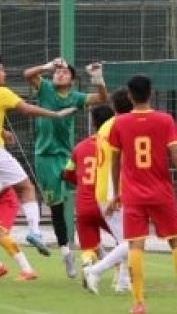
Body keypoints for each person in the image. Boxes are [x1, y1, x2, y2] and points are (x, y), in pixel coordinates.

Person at [107, 75, 177, 314]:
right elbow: (176, 154)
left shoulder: (119, 123)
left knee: (135, 246)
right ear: (150, 94)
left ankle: (139, 303)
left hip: (133, 194)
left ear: (129, 96)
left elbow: (115, 159)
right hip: (161, 192)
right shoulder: (165, 120)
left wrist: (116, 191)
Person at [0, 53, 76, 256]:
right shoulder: (0, 92)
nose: (4, 73)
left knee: (4, 176)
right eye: (1, 69)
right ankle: (35, 232)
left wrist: (2, 131)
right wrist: (54, 114)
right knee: (27, 188)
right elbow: (26, 109)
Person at [23, 59, 108, 277]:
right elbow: (27, 74)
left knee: (86, 197)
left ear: (72, 79)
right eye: (57, 72)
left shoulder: (76, 98)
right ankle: (66, 253)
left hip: (67, 155)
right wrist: (47, 65)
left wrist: (97, 78)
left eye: (64, 72)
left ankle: (96, 246)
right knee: (57, 208)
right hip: (45, 157)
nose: (59, 74)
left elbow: (102, 98)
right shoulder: (45, 89)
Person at [83, 89, 134, 294]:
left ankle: (123, 283)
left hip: (104, 188)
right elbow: (121, 160)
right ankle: (96, 270)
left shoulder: (106, 126)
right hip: (115, 190)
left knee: (126, 240)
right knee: (132, 241)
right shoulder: (124, 125)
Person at [62, 106, 116, 273]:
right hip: (107, 203)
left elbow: (67, 173)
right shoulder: (113, 146)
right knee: (126, 240)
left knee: (88, 247)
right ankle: (121, 277)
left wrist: (81, 183)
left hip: (84, 204)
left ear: (93, 123)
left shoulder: (80, 147)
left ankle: (87, 264)